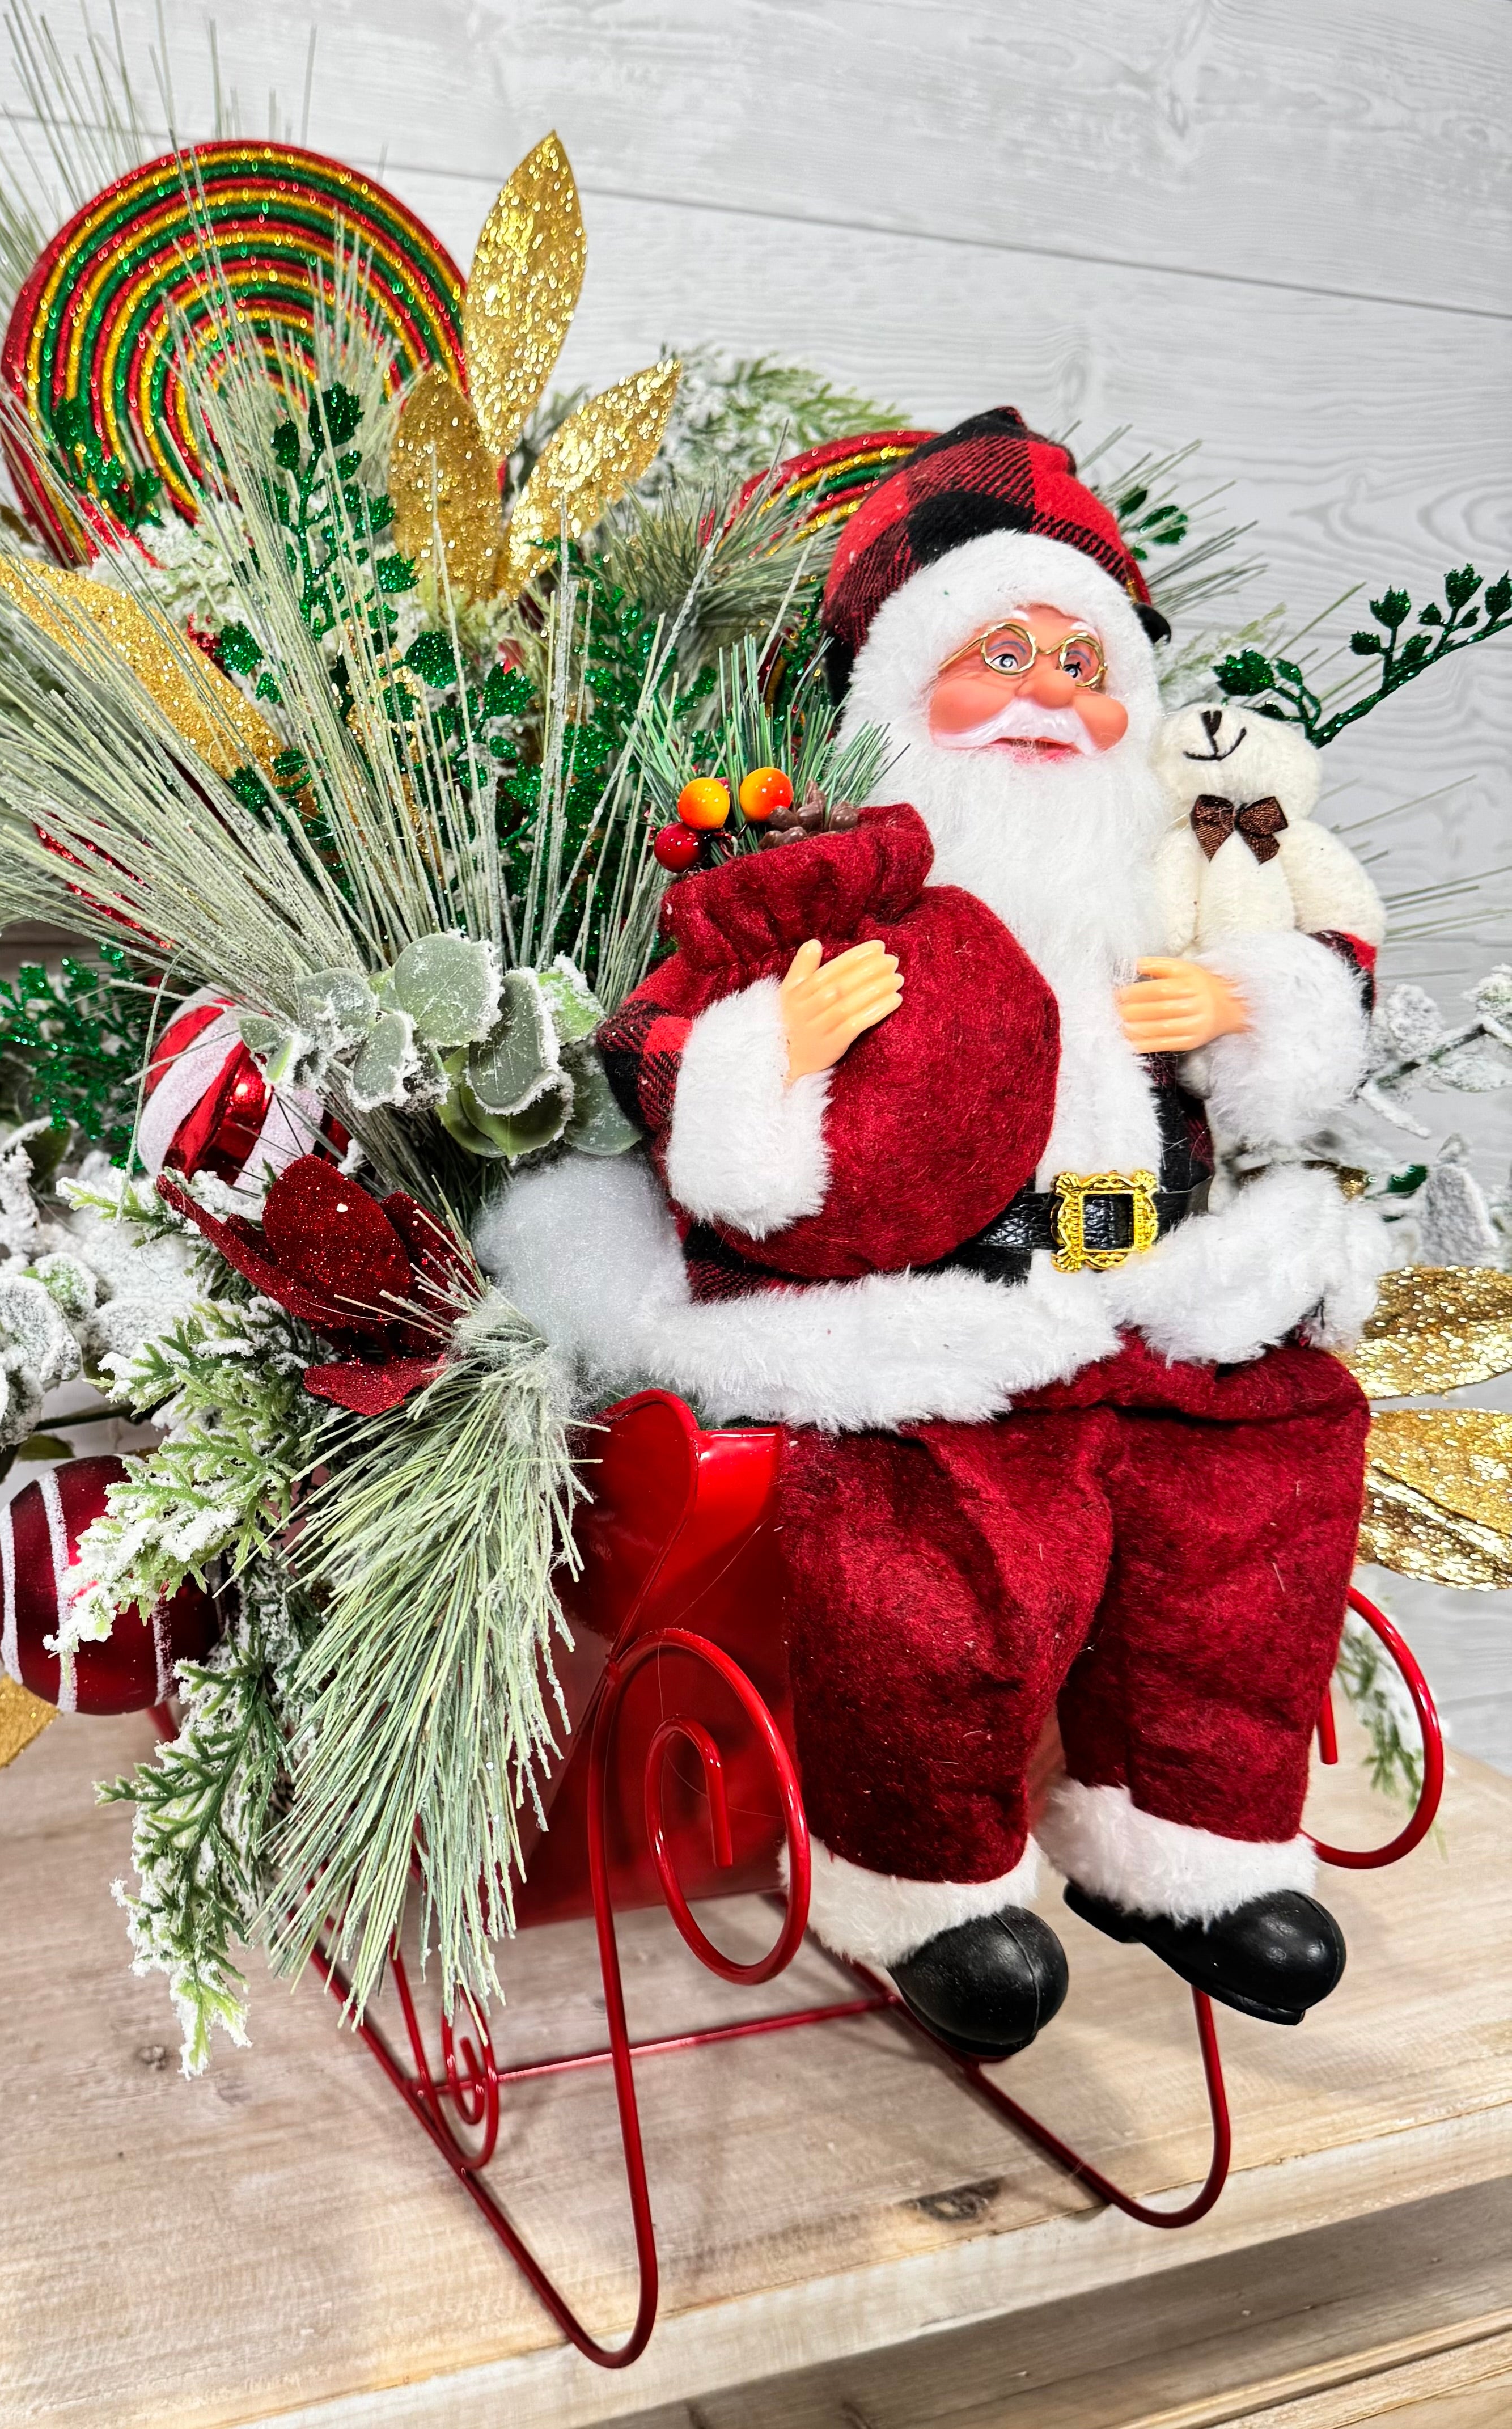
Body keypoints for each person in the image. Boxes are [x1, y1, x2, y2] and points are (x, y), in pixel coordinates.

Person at [481, 409, 1387, 2058]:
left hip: (1138, 1282)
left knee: (1261, 1477)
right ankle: (921, 1878)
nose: (1047, 690)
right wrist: (785, 1047)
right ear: (899, 699)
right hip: (927, 1307)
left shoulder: (1157, 895)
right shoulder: (829, 882)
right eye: (996, 652)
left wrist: (1248, 1010)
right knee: (945, 1551)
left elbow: (1301, 1032)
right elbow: (656, 1054)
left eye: (1078, 658)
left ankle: (1184, 1840)